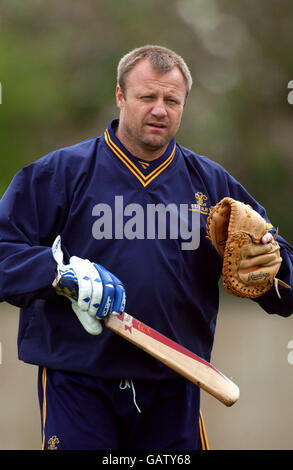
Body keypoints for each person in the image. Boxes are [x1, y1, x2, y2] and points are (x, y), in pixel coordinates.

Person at [0, 45, 292, 451]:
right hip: (79, 384)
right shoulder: (59, 174)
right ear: (120, 96)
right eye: (147, 97)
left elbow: (282, 272)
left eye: (172, 100)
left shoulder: (213, 185)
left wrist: (270, 273)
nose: (160, 110)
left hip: (175, 383)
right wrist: (58, 273)